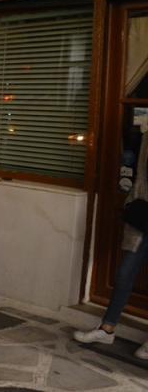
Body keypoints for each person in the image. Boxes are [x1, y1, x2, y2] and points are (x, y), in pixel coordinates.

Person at [73, 128, 148, 359]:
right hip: (144, 217)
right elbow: (140, 174)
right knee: (124, 273)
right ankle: (107, 329)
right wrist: (131, 200)